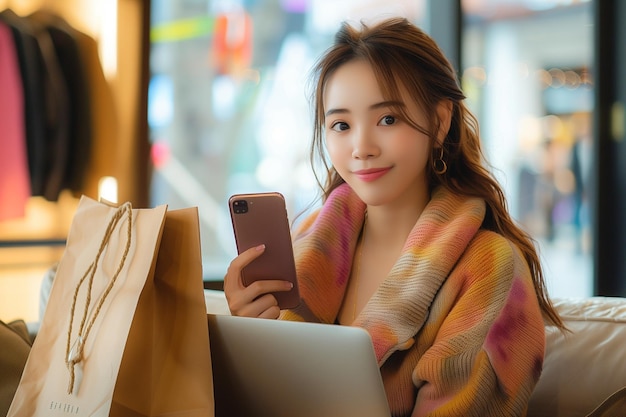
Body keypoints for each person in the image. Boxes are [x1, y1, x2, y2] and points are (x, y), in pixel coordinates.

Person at [224, 16, 564, 417]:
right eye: (341, 124)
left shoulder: (491, 268)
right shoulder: (307, 241)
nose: (361, 146)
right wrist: (251, 332)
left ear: (439, 122)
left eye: (388, 119)